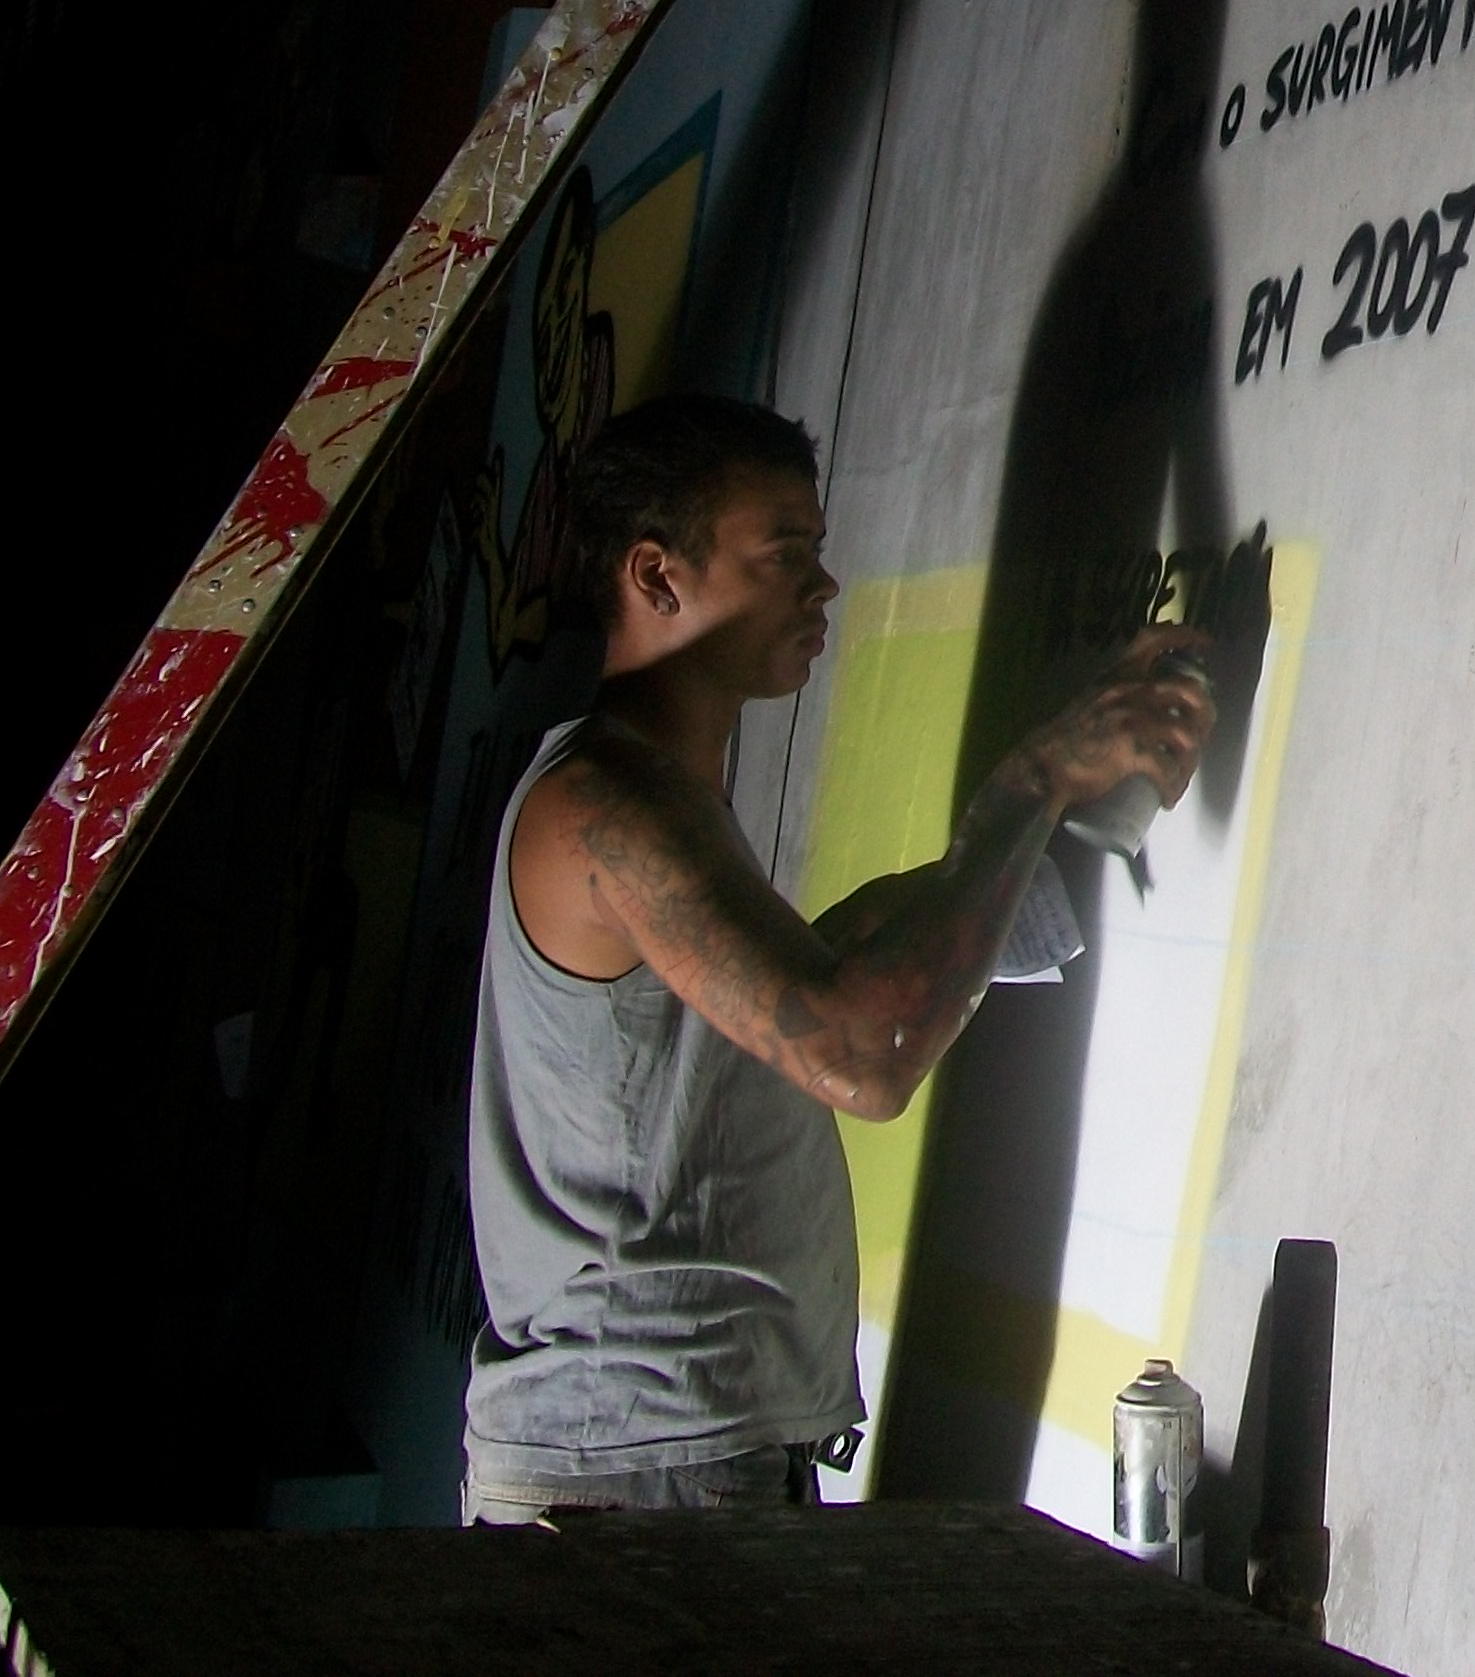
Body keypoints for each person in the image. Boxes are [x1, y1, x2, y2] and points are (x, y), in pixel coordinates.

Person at [459, 392, 1219, 1524]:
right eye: (785, 555)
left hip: (663, 1459)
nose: (822, 586)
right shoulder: (606, 805)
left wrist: (1072, 824)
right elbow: (865, 1050)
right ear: (657, 575)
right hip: (631, 1476)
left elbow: (825, 971)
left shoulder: (655, 794)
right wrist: (1036, 781)